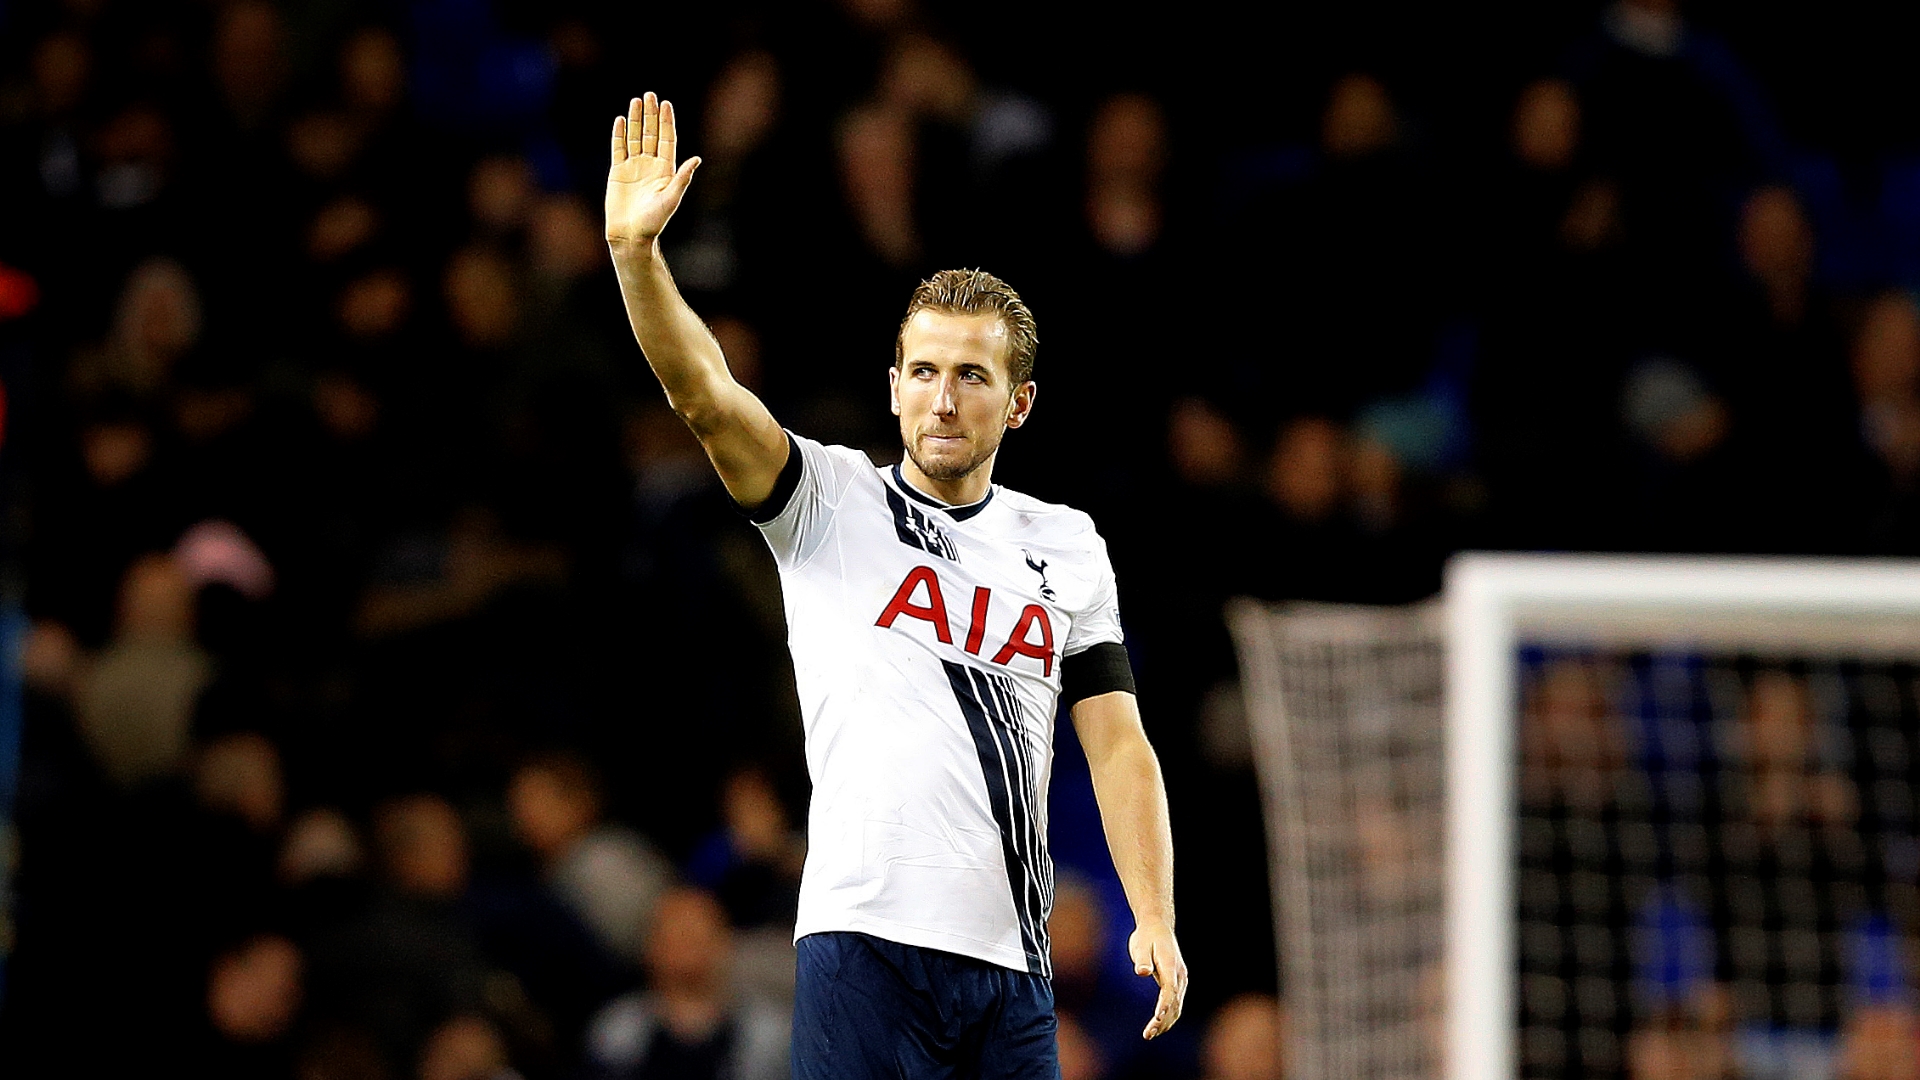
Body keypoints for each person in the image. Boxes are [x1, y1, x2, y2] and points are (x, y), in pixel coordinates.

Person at [604, 92, 1186, 1079]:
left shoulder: (1067, 546)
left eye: (970, 375)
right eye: (922, 371)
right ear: (892, 387)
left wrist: (1155, 915)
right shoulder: (828, 502)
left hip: (1012, 968)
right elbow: (704, 395)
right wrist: (635, 260)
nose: (943, 396)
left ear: (1019, 402)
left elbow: (1119, 742)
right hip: (862, 946)